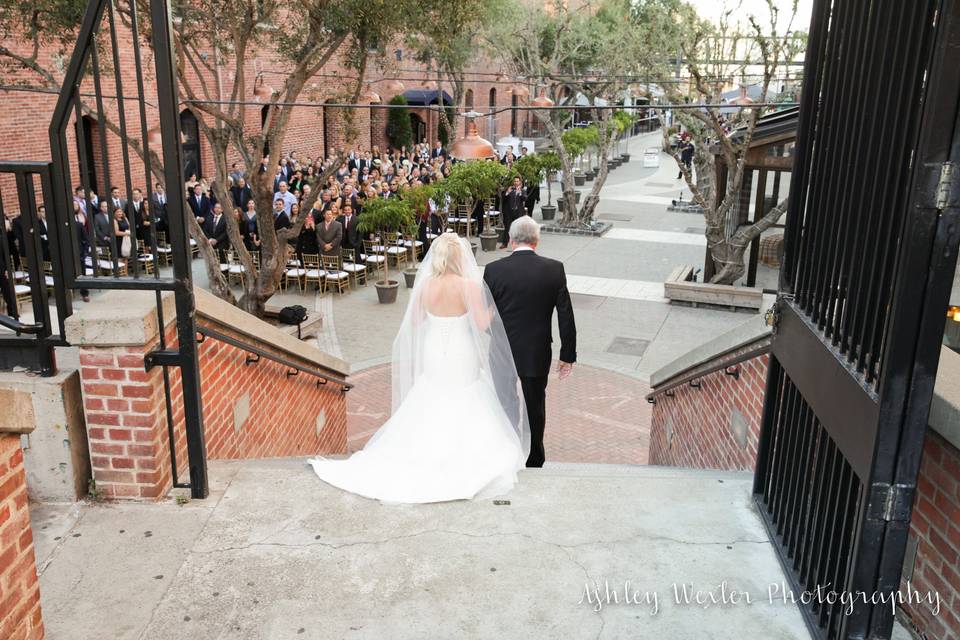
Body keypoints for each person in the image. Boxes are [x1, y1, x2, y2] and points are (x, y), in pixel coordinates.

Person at [309, 232, 528, 503]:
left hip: (434, 349)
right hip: (460, 350)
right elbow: (482, 324)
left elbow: (414, 322)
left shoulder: (425, 286)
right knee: (464, 393)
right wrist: (494, 309)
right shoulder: (468, 285)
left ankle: (425, 450)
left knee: (434, 393)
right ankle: (456, 453)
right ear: (460, 258)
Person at [483, 216, 577, 468]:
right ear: (537, 241)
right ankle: (534, 456)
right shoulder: (554, 269)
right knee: (535, 403)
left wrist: (495, 336)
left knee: (506, 400)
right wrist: (567, 355)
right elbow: (566, 315)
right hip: (537, 350)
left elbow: (485, 313)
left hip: (502, 350)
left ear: (511, 240)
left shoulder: (493, 270)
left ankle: (510, 448)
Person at [500, 176, 526, 249]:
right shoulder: (509, 189)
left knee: (518, 229)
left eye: (517, 181)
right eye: (515, 181)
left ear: (520, 182)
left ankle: (519, 244)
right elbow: (503, 198)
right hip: (509, 212)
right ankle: (504, 244)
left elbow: (524, 198)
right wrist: (507, 192)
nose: (516, 183)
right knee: (507, 228)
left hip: (518, 212)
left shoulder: (522, 190)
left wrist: (520, 192)